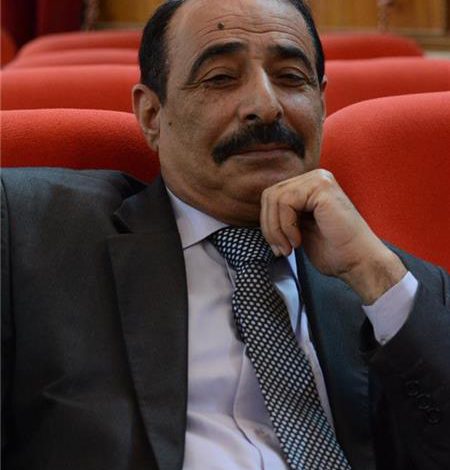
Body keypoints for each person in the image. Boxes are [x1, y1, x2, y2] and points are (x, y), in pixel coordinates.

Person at [2, 0, 449, 469]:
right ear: (152, 115)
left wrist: (375, 275)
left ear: (322, 104)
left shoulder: (388, 288)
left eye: (291, 78)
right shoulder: (29, 230)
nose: (266, 106)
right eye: (220, 78)